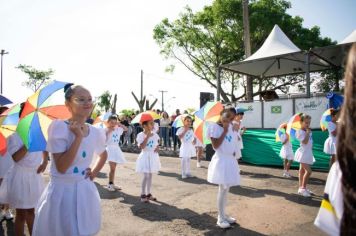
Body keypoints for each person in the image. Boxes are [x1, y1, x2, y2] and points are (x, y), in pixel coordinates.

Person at [32, 85, 108, 236]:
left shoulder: (95, 131)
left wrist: (93, 172)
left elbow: (103, 154)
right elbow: (61, 167)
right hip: (62, 192)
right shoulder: (59, 127)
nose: (87, 103)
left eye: (89, 99)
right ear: (68, 104)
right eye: (80, 99)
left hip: (85, 189)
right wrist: (78, 138)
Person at [314, 43, 356, 235]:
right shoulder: (332, 123)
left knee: (335, 161)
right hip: (333, 141)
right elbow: (333, 133)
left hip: (335, 143)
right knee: (334, 160)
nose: (334, 114)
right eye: (332, 113)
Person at [0, 103, 48, 236]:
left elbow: (44, 146)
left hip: (34, 175)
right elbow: (16, 157)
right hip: (20, 176)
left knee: (32, 211)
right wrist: (28, 143)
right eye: (26, 115)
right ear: (20, 117)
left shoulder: (36, 131)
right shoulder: (13, 135)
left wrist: (44, 161)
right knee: (21, 213)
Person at [207, 109, 240, 229]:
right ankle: (220, 218)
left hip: (230, 160)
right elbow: (215, 146)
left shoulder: (232, 126)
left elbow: (234, 143)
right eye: (228, 117)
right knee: (222, 189)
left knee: (227, 189)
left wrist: (236, 132)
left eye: (232, 118)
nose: (230, 120)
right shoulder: (214, 127)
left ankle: (224, 214)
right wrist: (225, 131)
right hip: (221, 160)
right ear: (221, 115)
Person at [135, 119, 161, 203]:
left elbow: (157, 143)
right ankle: (143, 194)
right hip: (145, 156)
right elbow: (141, 146)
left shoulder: (155, 135)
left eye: (153, 124)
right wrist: (147, 136)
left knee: (150, 176)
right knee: (146, 176)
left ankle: (149, 193)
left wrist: (157, 147)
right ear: (144, 126)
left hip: (153, 156)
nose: (153, 125)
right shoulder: (140, 135)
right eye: (150, 124)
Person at [105, 115, 128, 191]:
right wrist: (109, 130)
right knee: (112, 168)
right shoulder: (106, 130)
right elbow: (104, 139)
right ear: (108, 122)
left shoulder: (118, 129)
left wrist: (119, 124)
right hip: (110, 149)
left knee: (114, 169)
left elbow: (126, 129)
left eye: (115, 122)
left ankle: (112, 183)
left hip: (116, 149)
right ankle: (110, 184)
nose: (113, 124)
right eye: (111, 122)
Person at [294, 114, 315, 197]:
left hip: (308, 153)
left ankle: (302, 189)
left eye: (309, 123)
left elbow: (310, 142)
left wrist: (308, 133)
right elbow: (304, 142)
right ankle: (303, 188)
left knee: (301, 171)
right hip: (302, 154)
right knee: (309, 171)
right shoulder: (299, 132)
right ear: (301, 122)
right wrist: (307, 133)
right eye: (306, 123)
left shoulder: (308, 131)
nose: (308, 124)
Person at [0, 106, 14, 222]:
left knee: (8, 188)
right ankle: (1, 211)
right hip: (1, 161)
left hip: (9, 161)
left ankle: (7, 210)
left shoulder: (13, 129)